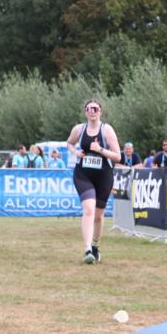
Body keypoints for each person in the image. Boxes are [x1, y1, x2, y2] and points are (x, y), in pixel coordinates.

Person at [67, 100, 121, 264]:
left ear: (100, 112)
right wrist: (75, 151)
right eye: (89, 109)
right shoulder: (79, 129)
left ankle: (95, 246)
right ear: (85, 112)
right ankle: (87, 250)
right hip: (83, 174)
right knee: (89, 209)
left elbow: (118, 157)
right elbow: (69, 143)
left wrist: (100, 150)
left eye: (95, 109)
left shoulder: (107, 130)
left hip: (104, 176)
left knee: (98, 216)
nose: (92, 111)